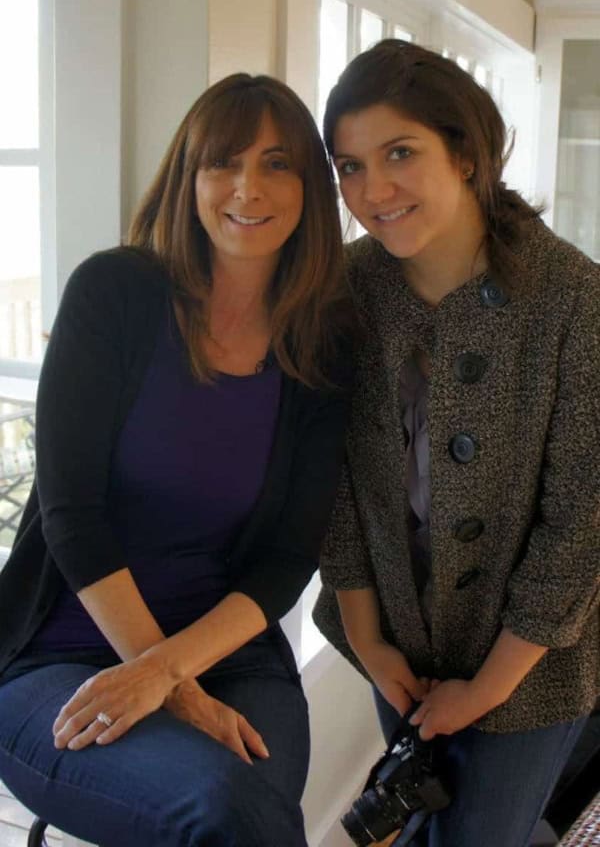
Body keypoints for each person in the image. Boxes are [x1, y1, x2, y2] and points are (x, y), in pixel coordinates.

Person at [0, 73, 354, 847]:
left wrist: (172, 673)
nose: (247, 188)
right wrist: (170, 688)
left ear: (311, 187)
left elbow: (288, 558)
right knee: (225, 813)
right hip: (60, 656)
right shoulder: (114, 293)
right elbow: (71, 516)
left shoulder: (322, 344)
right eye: (223, 162)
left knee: (246, 813)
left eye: (277, 163)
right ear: (188, 176)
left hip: (228, 654)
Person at [313, 39, 600, 847]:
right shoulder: (347, 288)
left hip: (532, 666)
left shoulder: (575, 299)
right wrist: (367, 637)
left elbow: (580, 523)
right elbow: (335, 482)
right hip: (394, 640)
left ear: (466, 153)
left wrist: (485, 690)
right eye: (349, 166)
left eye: (400, 153)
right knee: (416, 815)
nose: (373, 190)